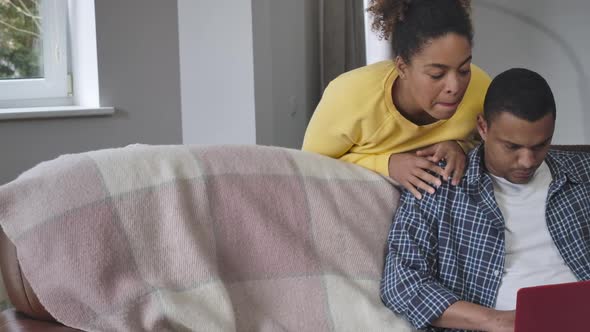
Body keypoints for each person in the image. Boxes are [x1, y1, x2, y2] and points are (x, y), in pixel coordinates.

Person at [380, 68, 590, 332]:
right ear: (483, 127)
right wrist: (495, 321)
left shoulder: (583, 174)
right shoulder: (439, 185)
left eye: (540, 145)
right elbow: (400, 283)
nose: (527, 161)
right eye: (511, 147)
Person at [302, 0, 491, 199]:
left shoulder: (481, 88)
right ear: (402, 67)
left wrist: (462, 148)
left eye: (463, 70)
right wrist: (387, 164)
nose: (455, 86)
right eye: (437, 74)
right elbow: (309, 167)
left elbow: (504, 149)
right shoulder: (349, 96)